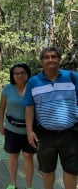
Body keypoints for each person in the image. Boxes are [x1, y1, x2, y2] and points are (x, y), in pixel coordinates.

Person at [24, 47, 78, 189]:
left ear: (59, 59)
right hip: (45, 134)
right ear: (42, 61)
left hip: (71, 133)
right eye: (46, 57)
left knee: (71, 170)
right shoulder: (33, 82)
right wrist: (29, 131)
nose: (50, 60)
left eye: (54, 56)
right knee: (47, 171)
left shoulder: (73, 77)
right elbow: (29, 107)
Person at [0, 63, 35, 189]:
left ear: (27, 74)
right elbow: (2, 108)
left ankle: (29, 185)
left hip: (29, 130)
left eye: (22, 73)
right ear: (12, 75)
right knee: (13, 155)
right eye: (16, 73)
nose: (19, 75)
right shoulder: (8, 88)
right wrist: (0, 125)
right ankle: (12, 183)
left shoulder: (33, 88)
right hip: (11, 128)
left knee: (28, 156)